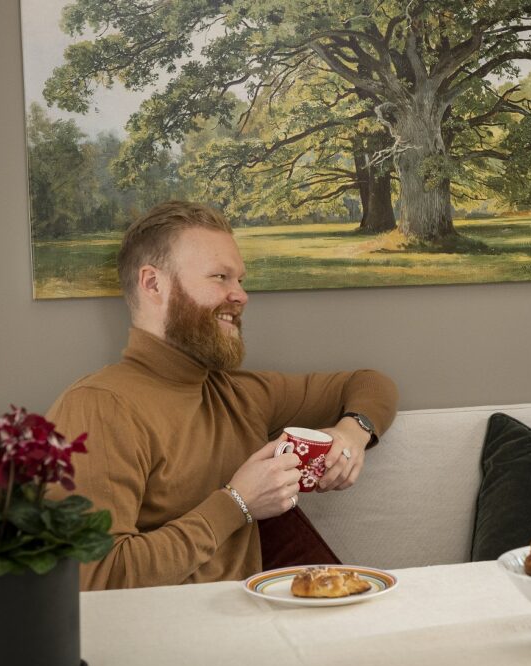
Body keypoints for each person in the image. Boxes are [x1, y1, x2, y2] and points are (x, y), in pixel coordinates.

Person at [47, 201, 399, 589]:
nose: (241, 296)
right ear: (153, 284)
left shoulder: (240, 395)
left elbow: (370, 384)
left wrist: (352, 434)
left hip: (257, 627)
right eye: (220, 277)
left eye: (241, 281)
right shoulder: (97, 407)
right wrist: (237, 504)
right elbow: (94, 580)